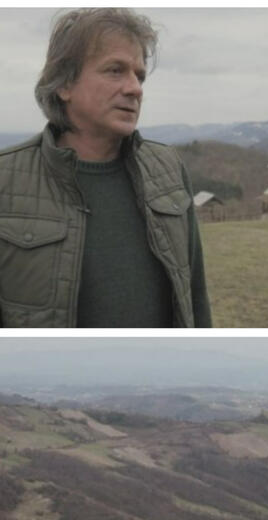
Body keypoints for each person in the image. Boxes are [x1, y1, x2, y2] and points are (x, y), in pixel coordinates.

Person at [0, 8, 211, 327]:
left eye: (139, 76)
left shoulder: (167, 169)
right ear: (64, 84)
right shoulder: (6, 181)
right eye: (115, 71)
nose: (135, 88)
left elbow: (195, 299)